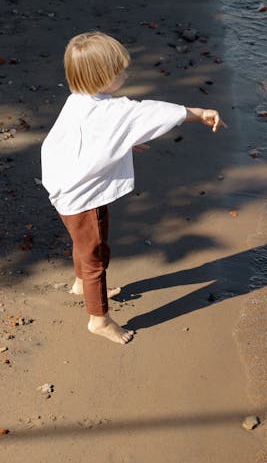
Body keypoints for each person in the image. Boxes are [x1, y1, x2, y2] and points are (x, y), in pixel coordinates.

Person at [41, 31, 227, 344]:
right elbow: (154, 112)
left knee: (81, 242)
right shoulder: (116, 110)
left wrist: (123, 145)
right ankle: (99, 320)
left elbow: (88, 138)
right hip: (83, 197)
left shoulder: (79, 101)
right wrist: (200, 113)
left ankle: (79, 284)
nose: (127, 74)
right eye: (120, 71)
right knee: (96, 254)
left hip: (61, 184)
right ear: (101, 78)